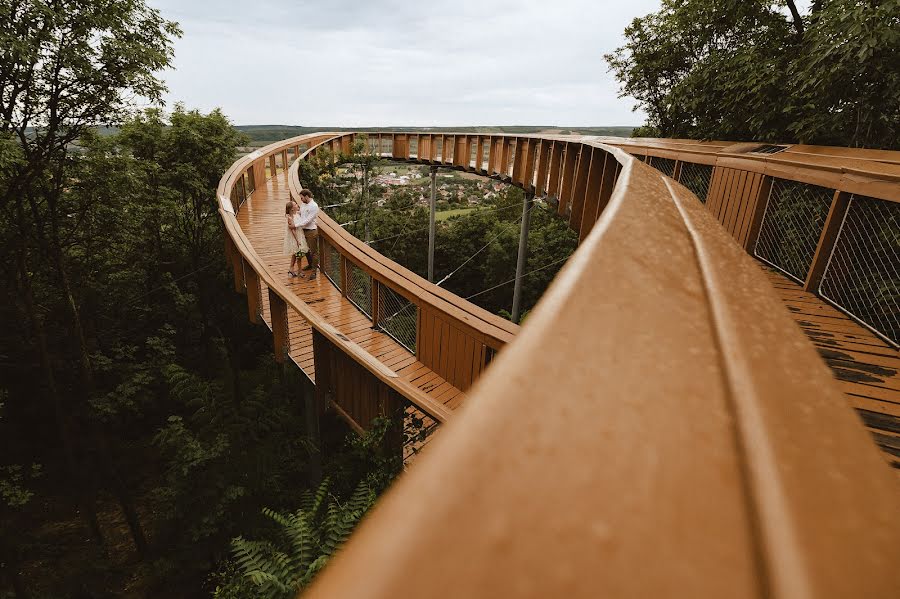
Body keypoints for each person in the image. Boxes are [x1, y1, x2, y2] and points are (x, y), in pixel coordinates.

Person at [296, 189, 319, 280]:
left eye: (302, 198)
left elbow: (307, 220)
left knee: (313, 252)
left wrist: (295, 225)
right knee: (306, 250)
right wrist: (292, 213)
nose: (301, 200)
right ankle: (310, 265)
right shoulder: (303, 204)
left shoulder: (314, 206)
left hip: (311, 231)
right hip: (303, 230)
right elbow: (301, 214)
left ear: (306, 196)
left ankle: (314, 272)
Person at [283, 200, 308, 277]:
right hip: (296, 237)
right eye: (295, 205)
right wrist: (297, 240)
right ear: (292, 209)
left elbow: (305, 211)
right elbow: (293, 230)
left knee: (295, 253)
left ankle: (291, 269)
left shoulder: (297, 214)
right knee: (299, 254)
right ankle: (300, 271)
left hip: (300, 235)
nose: (297, 205)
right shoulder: (290, 218)